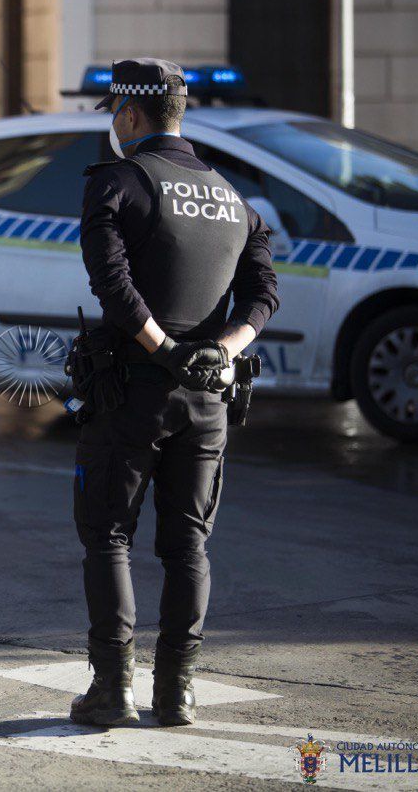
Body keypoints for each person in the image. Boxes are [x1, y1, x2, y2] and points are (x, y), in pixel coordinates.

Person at [69, 57, 279, 727]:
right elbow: (264, 295)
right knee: (187, 545)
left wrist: (163, 348)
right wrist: (220, 350)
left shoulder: (117, 183)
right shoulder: (233, 199)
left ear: (130, 116)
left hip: (133, 390)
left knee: (108, 534)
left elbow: (113, 283)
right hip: (209, 398)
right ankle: (176, 693)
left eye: (114, 117)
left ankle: (110, 690)